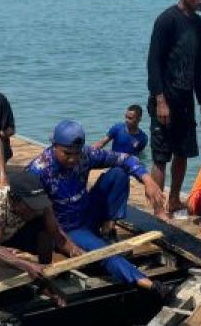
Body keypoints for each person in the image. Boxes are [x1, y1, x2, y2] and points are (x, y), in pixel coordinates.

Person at [28, 120, 172, 300]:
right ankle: (150, 285)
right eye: (67, 154)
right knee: (105, 253)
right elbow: (23, 203)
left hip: (87, 211)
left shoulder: (86, 155)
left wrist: (147, 180)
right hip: (67, 228)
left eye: (77, 154)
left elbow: (125, 158)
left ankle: (108, 227)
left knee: (119, 174)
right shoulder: (39, 169)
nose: (73, 159)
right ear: (54, 146)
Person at [0, 168, 83, 312]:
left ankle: (44, 280)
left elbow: (56, 234)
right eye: (31, 207)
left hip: (8, 231)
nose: (36, 210)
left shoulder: (42, 204)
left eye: (38, 206)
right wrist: (28, 265)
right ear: (13, 199)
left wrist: (75, 250)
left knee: (44, 227)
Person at [147, 0, 201, 217]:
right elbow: (153, 63)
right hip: (165, 99)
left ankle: (174, 199)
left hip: (186, 101)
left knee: (183, 153)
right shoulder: (167, 20)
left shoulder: (198, 24)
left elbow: (199, 65)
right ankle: (158, 207)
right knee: (161, 156)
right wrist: (160, 100)